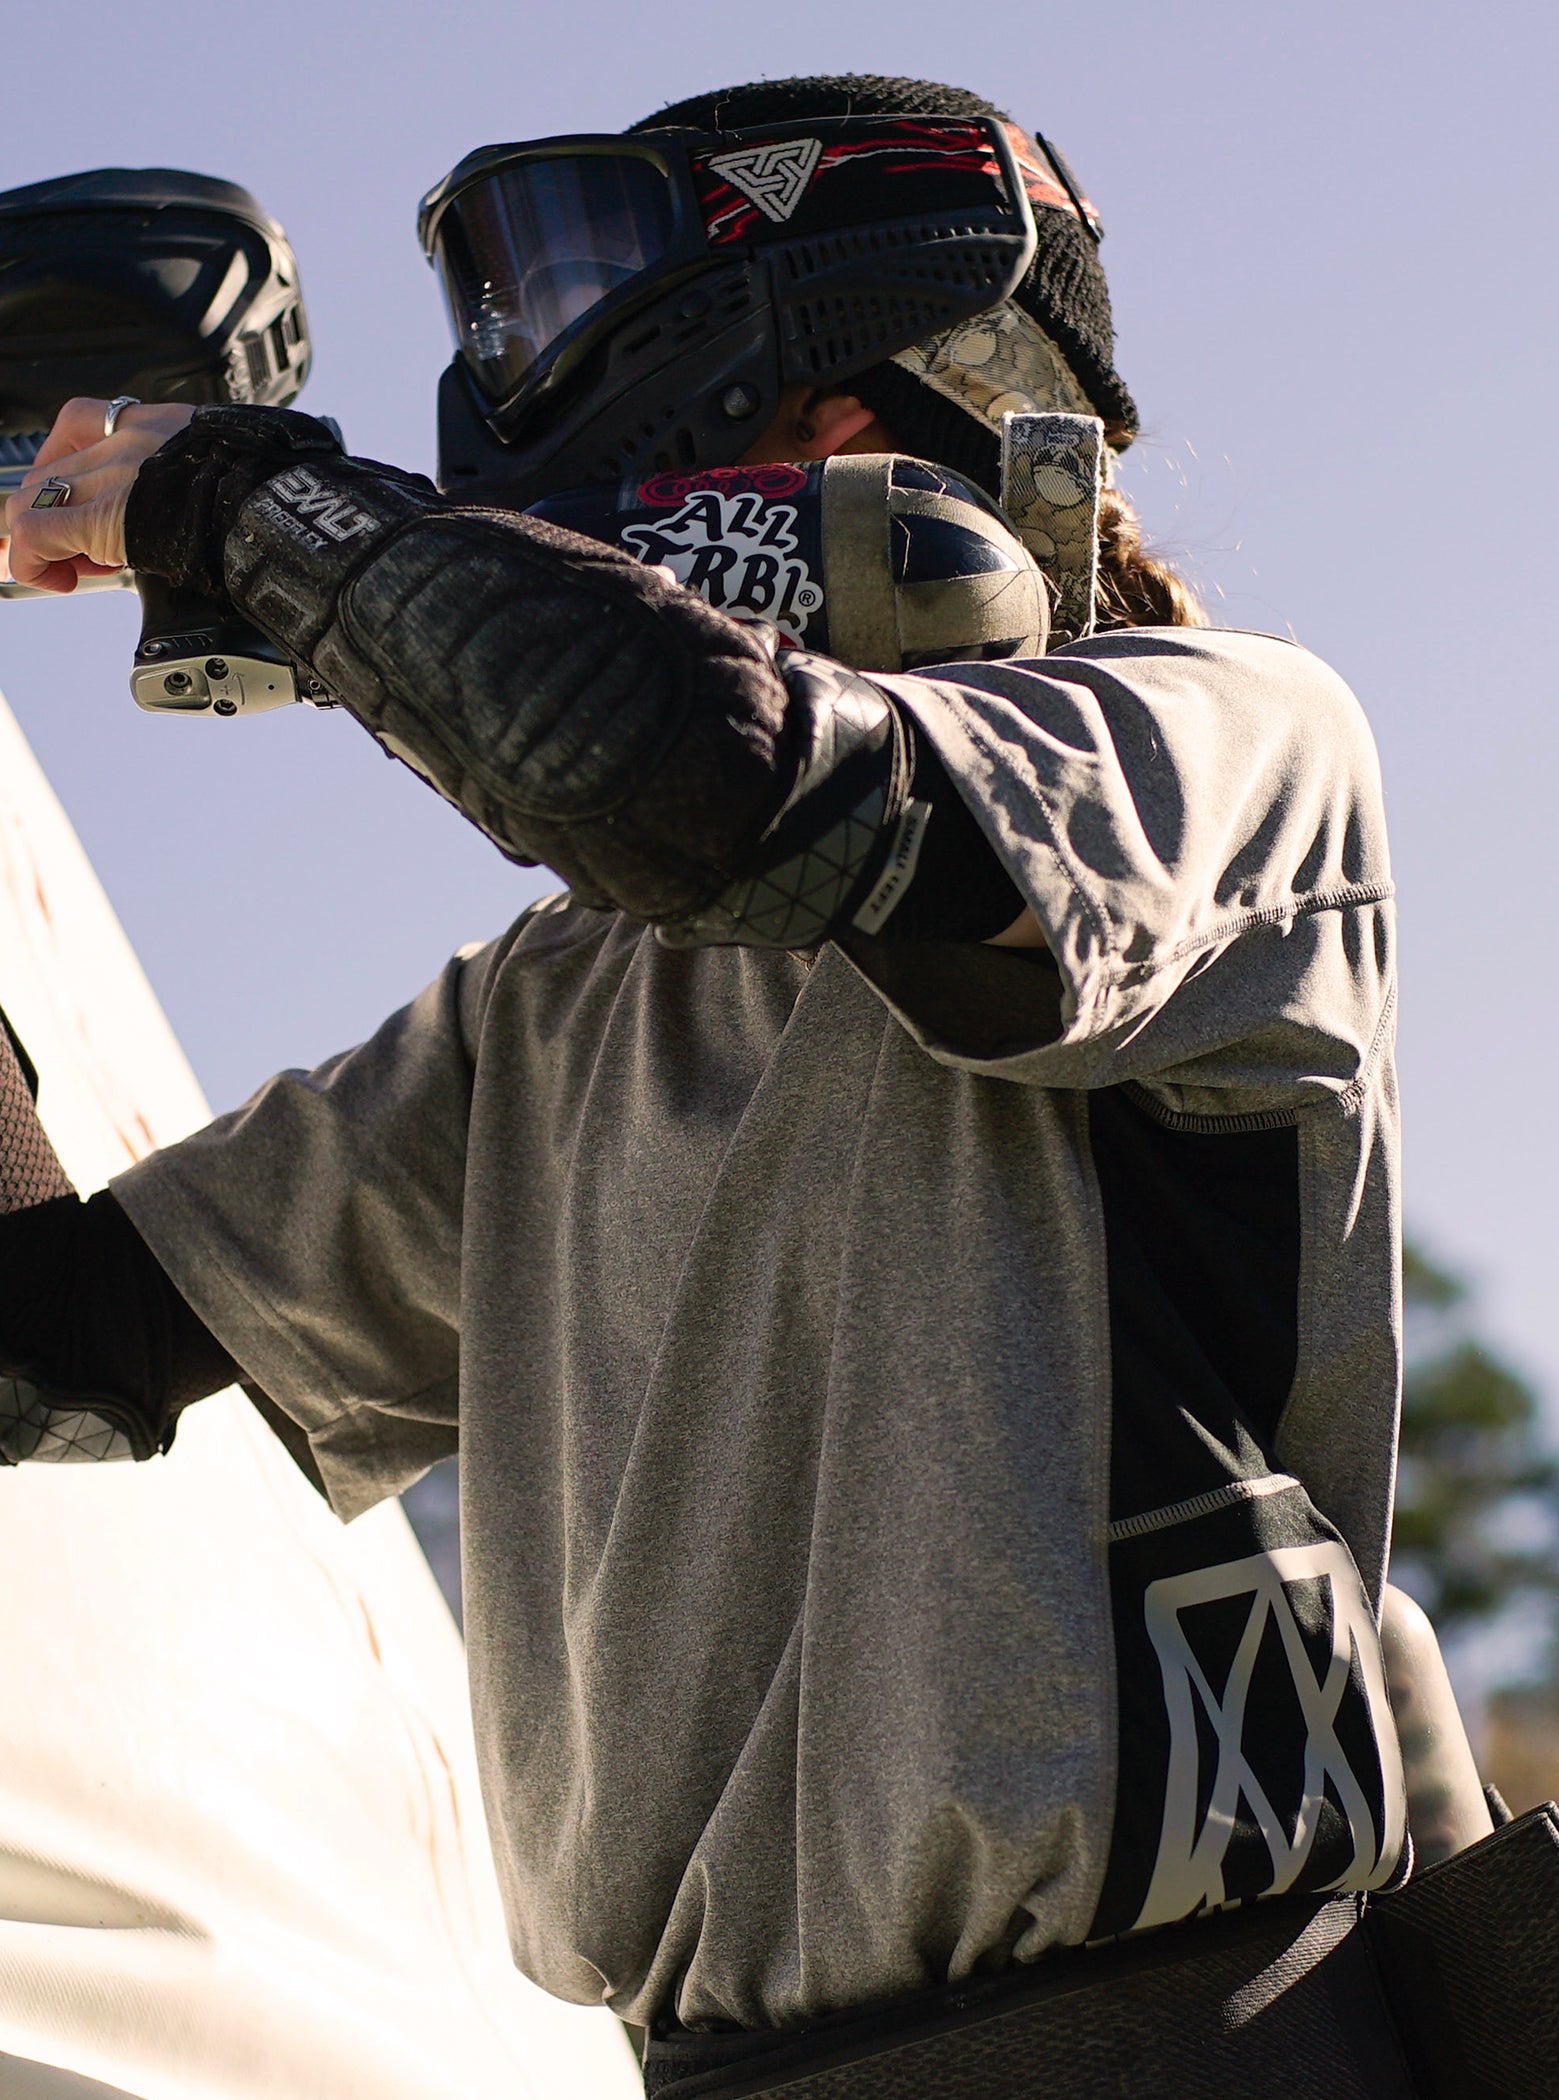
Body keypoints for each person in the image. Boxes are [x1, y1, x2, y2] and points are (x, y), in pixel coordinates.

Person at [1, 75, 1426, 2097]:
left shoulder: (1222, 743)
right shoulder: (568, 999)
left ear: (839, 409)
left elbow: (724, 790)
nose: (503, 396)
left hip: (1172, 2044)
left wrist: (255, 512)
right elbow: (49, 1346)